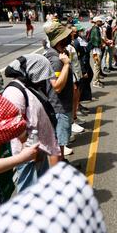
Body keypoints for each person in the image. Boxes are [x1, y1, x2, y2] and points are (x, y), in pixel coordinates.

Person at [3, 54, 61, 192]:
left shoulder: (29, 87)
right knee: (29, 194)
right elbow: (13, 126)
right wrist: (27, 149)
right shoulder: (14, 92)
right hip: (26, 155)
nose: (43, 80)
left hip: (37, 150)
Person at [43, 22, 75, 161]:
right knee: (57, 145)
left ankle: (62, 165)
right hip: (59, 108)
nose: (70, 38)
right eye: (67, 36)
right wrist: (67, 64)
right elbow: (57, 86)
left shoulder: (59, 54)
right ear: (61, 39)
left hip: (62, 106)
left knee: (60, 144)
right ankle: (58, 175)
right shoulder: (56, 59)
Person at [88, 16, 105, 89]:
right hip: (96, 50)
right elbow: (96, 40)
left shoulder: (96, 28)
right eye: (100, 21)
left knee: (97, 66)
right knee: (97, 66)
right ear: (97, 21)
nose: (101, 22)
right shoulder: (95, 29)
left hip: (97, 50)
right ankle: (95, 82)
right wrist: (101, 45)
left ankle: (97, 79)